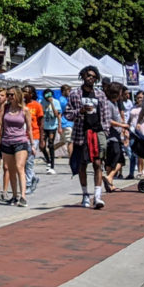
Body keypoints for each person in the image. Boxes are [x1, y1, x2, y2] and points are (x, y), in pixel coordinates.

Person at [66, 65, 119, 209]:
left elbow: (106, 115)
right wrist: (80, 111)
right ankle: (85, 195)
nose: (91, 78)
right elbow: (68, 114)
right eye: (89, 75)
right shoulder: (75, 94)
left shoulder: (100, 94)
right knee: (83, 164)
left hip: (97, 132)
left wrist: (105, 131)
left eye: (94, 77)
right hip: (81, 133)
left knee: (97, 163)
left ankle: (97, 196)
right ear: (83, 76)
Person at [0, 86, 33, 207]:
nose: (9, 97)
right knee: (10, 169)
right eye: (8, 94)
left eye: (11, 95)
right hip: (6, 141)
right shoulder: (5, 107)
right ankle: (14, 195)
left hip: (21, 141)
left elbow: (29, 129)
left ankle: (23, 196)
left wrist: (32, 144)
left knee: (20, 167)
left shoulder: (24, 110)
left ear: (18, 95)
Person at [103, 82, 130, 191]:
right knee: (120, 161)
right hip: (112, 138)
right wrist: (122, 125)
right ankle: (109, 177)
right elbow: (108, 120)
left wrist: (123, 129)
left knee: (111, 162)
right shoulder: (109, 104)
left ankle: (110, 184)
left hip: (116, 136)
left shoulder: (114, 103)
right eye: (120, 92)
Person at [23, 86, 44, 193]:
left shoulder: (37, 105)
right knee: (23, 161)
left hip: (34, 136)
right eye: (23, 91)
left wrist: (42, 139)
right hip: (21, 136)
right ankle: (33, 178)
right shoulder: (20, 105)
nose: (24, 94)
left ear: (31, 94)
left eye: (26, 92)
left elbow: (41, 123)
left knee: (29, 160)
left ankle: (28, 184)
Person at [40, 89, 61, 174]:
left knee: (51, 144)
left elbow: (57, 114)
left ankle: (52, 165)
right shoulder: (42, 102)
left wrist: (51, 103)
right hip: (44, 126)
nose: (48, 97)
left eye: (49, 95)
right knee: (42, 146)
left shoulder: (56, 102)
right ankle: (48, 159)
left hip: (52, 126)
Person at [129, 90, 144, 178]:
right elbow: (130, 119)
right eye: (138, 97)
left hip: (142, 132)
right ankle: (131, 173)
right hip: (132, 131)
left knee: (141, 153)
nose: (139, 99)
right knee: (133, 153)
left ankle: (141, 170)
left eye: (141, 98)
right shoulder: (133, 107)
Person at [57, 84, 73, 156]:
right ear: (64, 91)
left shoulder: (66, 99)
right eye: (69, 91)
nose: (70, 92)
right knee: (70, 141)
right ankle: (72, 158)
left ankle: (49, 150)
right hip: (66, 123)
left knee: (63, 141)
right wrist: (59, 125)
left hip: (68, 123)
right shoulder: (62, 101)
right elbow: (59, 113)